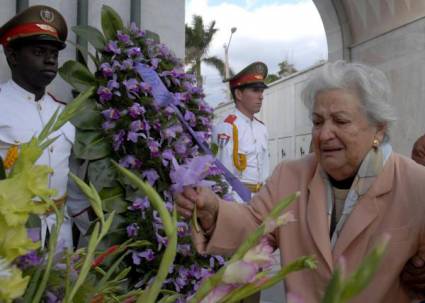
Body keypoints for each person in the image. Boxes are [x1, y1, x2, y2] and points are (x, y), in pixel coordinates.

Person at [176, 61, 425, 302]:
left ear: (378, 129)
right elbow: (254, 227)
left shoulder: (416, 184)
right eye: (317, 122)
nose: (324, 134)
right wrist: (213, 211)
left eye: (340, 121)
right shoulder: (289, 176)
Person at [0, 5, 75, 249]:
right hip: (11, 239)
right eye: (39, 51)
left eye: (54, 52)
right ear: (12, 56)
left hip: (60, 239)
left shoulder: (65, 114)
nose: (50, 59)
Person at [213, 62, 269, 198]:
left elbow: (265, 170)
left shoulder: (261, 128)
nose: (261, 96)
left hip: (261, 200)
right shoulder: (227, 127)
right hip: (238, 201)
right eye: (255, 90)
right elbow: (222, 174)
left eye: (261, 91)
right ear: (238, 94)